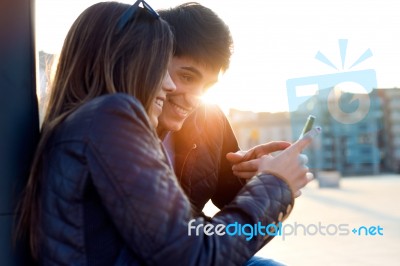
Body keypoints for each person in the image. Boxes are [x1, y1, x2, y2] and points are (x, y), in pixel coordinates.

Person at [16, 1, 315, 265]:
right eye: (162, 68)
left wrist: (258, 180)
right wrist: (276, 185)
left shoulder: (87, 121)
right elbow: (192, 253)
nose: (173, 88)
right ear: (126, 60)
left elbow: (185, 236)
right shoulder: (111, 116)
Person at [157, 3, 310, 265]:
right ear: (152, 60)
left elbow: (232, 208)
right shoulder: (123, 128)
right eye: (187, 76)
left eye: (207, 86)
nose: (194, 99)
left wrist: (257, 176)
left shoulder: (210, 118)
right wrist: (275, 185)